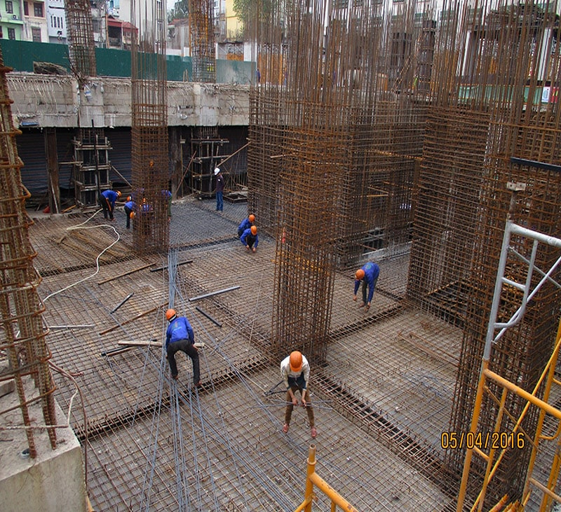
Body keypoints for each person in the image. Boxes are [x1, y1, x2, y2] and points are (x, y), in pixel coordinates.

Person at [280, 351, 316, 439]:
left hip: (301, 381)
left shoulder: (305, 364)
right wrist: (293, 397)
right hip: (291, 382)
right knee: (289, 405)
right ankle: (286, 423)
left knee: (308, 404)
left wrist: (303, 397)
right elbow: (285, 382)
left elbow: (306, 380)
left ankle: (312, 426)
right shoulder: (284, 365)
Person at [165, 309, 201, 387]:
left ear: (168, 320)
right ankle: (196, 381)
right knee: (195, 357)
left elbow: (167, 340)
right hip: (185, 342)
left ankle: (174, 374)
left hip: (173, 344)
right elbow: (190, 329)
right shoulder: (183, 319)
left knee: (170, 357)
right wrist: (192, 343)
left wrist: (167, 352)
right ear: (176, 314)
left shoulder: (169, 327)